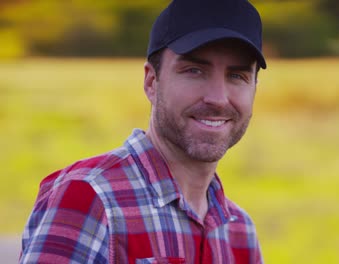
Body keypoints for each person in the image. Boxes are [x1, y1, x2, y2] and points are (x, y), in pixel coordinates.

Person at [19, 0, 267, 263]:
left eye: (237, 76)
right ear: (151, 82)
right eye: (194, 71)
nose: (218, 98)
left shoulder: (240, 232)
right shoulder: (90, 198)